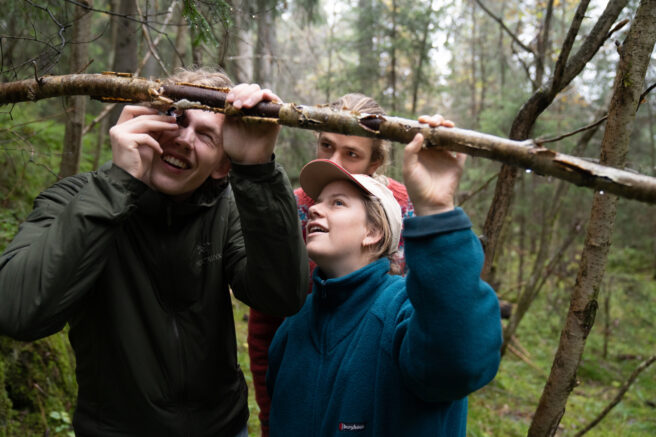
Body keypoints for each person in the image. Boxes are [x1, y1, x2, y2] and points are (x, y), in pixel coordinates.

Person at [0, 68, 308, 437]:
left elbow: (281, 296)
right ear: (142, 120)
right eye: (176, 119)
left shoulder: (227, 210)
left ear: (221, 166)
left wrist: (257, 171)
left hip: (222, 428)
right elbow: (18, 312)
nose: (185, 139)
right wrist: (118, 184)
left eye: (207, 136)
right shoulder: (76, 197)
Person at [266, 133, 503, 436]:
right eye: (317, 202)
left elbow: (459, 363)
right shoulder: (295, 324)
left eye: (338, 203)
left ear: (374, 232)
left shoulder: (405, 311)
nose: (314, 209)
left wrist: (436, 212)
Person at [247, 94, 450, 436]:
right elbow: (265, 322)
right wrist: (271, 415)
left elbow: (435, 321)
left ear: (374, 163)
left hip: (378, 376)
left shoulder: (407, 210)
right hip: (304, 367)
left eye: (352, 154)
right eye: (326, 145)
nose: (335, 161)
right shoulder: (294, 209)